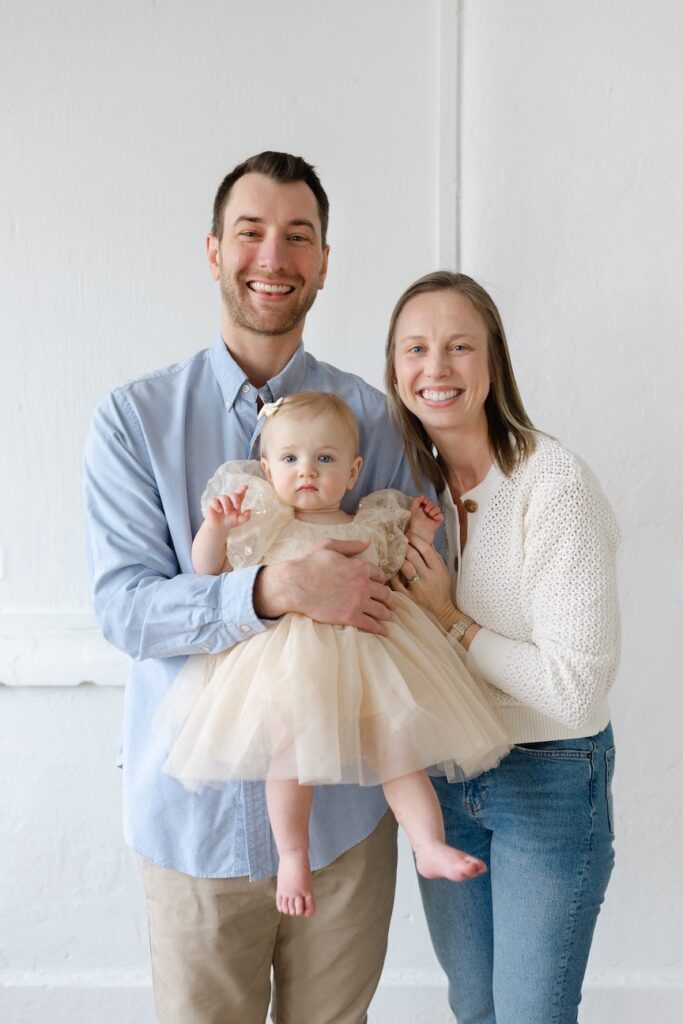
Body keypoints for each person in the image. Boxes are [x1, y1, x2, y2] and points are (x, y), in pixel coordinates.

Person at [85, 151, 425, 1024]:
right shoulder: (134, 420)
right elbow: (125, 609)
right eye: (250, 233)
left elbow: (409, 579)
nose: (272, 256)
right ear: (212, 251)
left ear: (321, 262)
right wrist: (270, 588)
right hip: (189, 822)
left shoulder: (374, 419)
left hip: (343, 820)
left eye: (297, 237)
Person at [156, 390, 510, 918]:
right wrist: (217, 528)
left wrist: (420, 530)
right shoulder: (266, 524)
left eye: (325, 458)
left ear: (353, 471)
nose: (307, 471)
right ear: (267, 468)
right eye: (290, 458)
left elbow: (395, 570)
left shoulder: (367, 524)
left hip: (373, 661)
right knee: (290, 756)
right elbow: (208, 571)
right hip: (289, 667)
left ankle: (428, 845)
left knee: (398, 751)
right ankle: (293, 856)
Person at [384, 270, 620, 1024]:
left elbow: (574, 688)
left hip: (546, 777)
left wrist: (451, 622)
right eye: (415, 349)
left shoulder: (551, 485)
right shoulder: (403, 489)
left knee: (529, 1017)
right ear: (394, 368)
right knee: (476, 1010)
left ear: (492, 364)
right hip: (445, 775)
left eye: (459, 347)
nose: (436, 368)